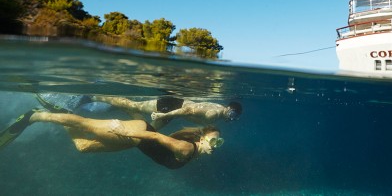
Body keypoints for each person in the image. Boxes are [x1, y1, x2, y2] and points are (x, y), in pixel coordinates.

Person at [0, 109, 224, 169]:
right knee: (84, 123)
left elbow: (156, 138)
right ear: (203, 139)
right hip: (136, 134)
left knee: (83, 146)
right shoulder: (186, 149)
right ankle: (35, 115)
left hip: (136, 140)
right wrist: (126, 132)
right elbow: (154, 135)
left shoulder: (193, 152)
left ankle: (62, 113)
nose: (216, 146)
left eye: (219, 143)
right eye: (214, 141)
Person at [36, 94, 242, 130]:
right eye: (233, 115)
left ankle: (116, 109)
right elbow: (187, 109)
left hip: (173, 106)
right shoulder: (215, 113)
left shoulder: (218, 109)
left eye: (234, 118)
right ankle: (93, 97)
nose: (231, 118)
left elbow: (190, 111)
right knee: (134, 105)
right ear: (229, 109)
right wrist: (163, 114)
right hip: (170, 106)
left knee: (150, 131)